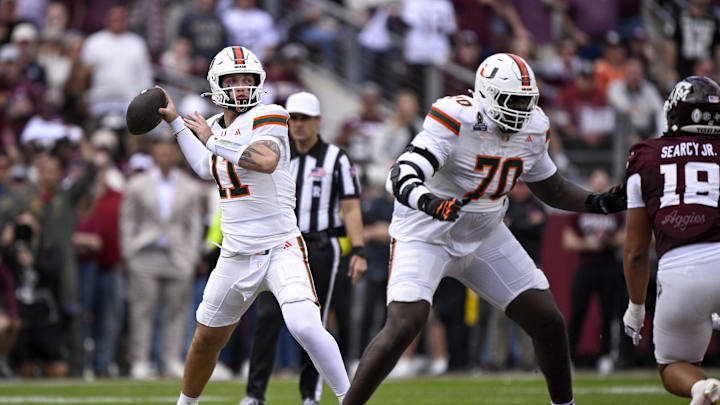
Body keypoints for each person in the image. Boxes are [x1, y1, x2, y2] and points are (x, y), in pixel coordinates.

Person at [343, 53, 627, 405]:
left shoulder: (535, 126)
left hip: (485, 233)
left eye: (528, 101)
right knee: (405, 323)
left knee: (548, 321)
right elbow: (401, 175)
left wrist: (597, 201)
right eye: (513, 101)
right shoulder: (456, 117)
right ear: (487, 95)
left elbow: (551, 187)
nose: (522, 110)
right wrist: (432, 203)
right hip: (427, 231)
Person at [157, 46, 350, 405]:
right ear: (217, 83)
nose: (242, 87)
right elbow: (205, 167)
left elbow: (265, 160)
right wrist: (174, 123)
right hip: (235, 254)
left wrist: (213, 141)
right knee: (206, 339)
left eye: (248, 80)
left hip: (280, 248)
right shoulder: (213, 126)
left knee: (305, 325)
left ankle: (349, 399)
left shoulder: (271, 115)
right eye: (234, 80)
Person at [241, 91, 367, 405]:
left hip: (321, 245)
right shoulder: (277, 154)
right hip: (280, 245)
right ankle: (255, 394)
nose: (297, 125)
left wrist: (360, 250)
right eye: (293, 118)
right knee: (268, 316)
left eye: (303, 119)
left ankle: (310, 394)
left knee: (314, 323)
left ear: (317, 121)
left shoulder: (337, 158)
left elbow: (350, 207)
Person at [622, 75, 720, 405]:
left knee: (674, 365)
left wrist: (636, 306)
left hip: (680, 271)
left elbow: (636, 250)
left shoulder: (646, 157)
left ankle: (701, 389)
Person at [120, 135, 204, 380]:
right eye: (161, 150)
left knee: (176, 311)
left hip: (178, 256)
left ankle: (171, 360)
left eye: (170, 150)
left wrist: (190, 255)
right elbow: (128, 220)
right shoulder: (137, 184)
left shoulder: (190, 187)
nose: (165, 154)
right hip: (144, 254)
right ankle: (141, 361)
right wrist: (130, 251)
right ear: (154, 153)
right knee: (142, 310)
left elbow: (194, 225)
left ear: (177, 154)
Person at [563, 169, 624, 374]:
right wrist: (588, 244)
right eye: (596, 181)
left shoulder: (614, 210)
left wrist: (608, 240)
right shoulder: (582, 208)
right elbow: (568, 240)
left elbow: (625, 237)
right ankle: (569, 356)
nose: (599, 186)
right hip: (586, 266)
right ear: (590, 184)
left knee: (608, 313)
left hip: (608, 266)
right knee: (578, 312)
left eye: (602, 182)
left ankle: (606, 356)